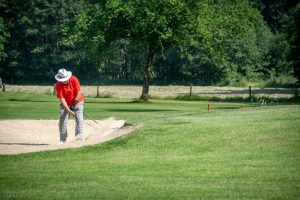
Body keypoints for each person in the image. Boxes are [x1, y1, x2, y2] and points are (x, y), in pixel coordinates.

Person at [55, 68, 84, 144]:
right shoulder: (58, 85)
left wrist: (74, 104)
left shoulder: (74, 79)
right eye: (63, 79)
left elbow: (79, 92)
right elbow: (62, 98)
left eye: (66, 78)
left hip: (78, 102)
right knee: (62, 121)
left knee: (79, 120)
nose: (65, 80)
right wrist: (68, 109)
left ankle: (79, 138)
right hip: (66, 104)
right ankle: (63, 139)